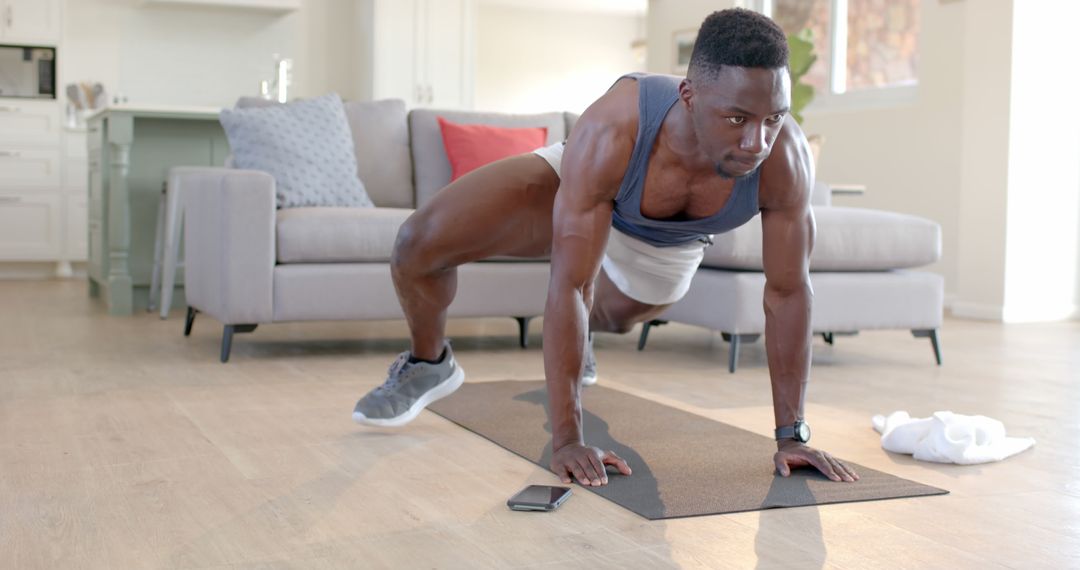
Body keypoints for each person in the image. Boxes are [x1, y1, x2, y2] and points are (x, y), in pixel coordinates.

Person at [352, 8, 860, 486]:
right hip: (593, 185)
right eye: (736, 119)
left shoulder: (783, 158)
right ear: (688, 96)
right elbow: (572, 283)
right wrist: (569, 439)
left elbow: (788, 293)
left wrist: (791, 434)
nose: (756, 142)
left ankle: (584, 345)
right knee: (418, 243)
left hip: (671, 242)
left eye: (773, 119)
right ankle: (428, 363)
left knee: (612, 317)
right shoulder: (613, 127)